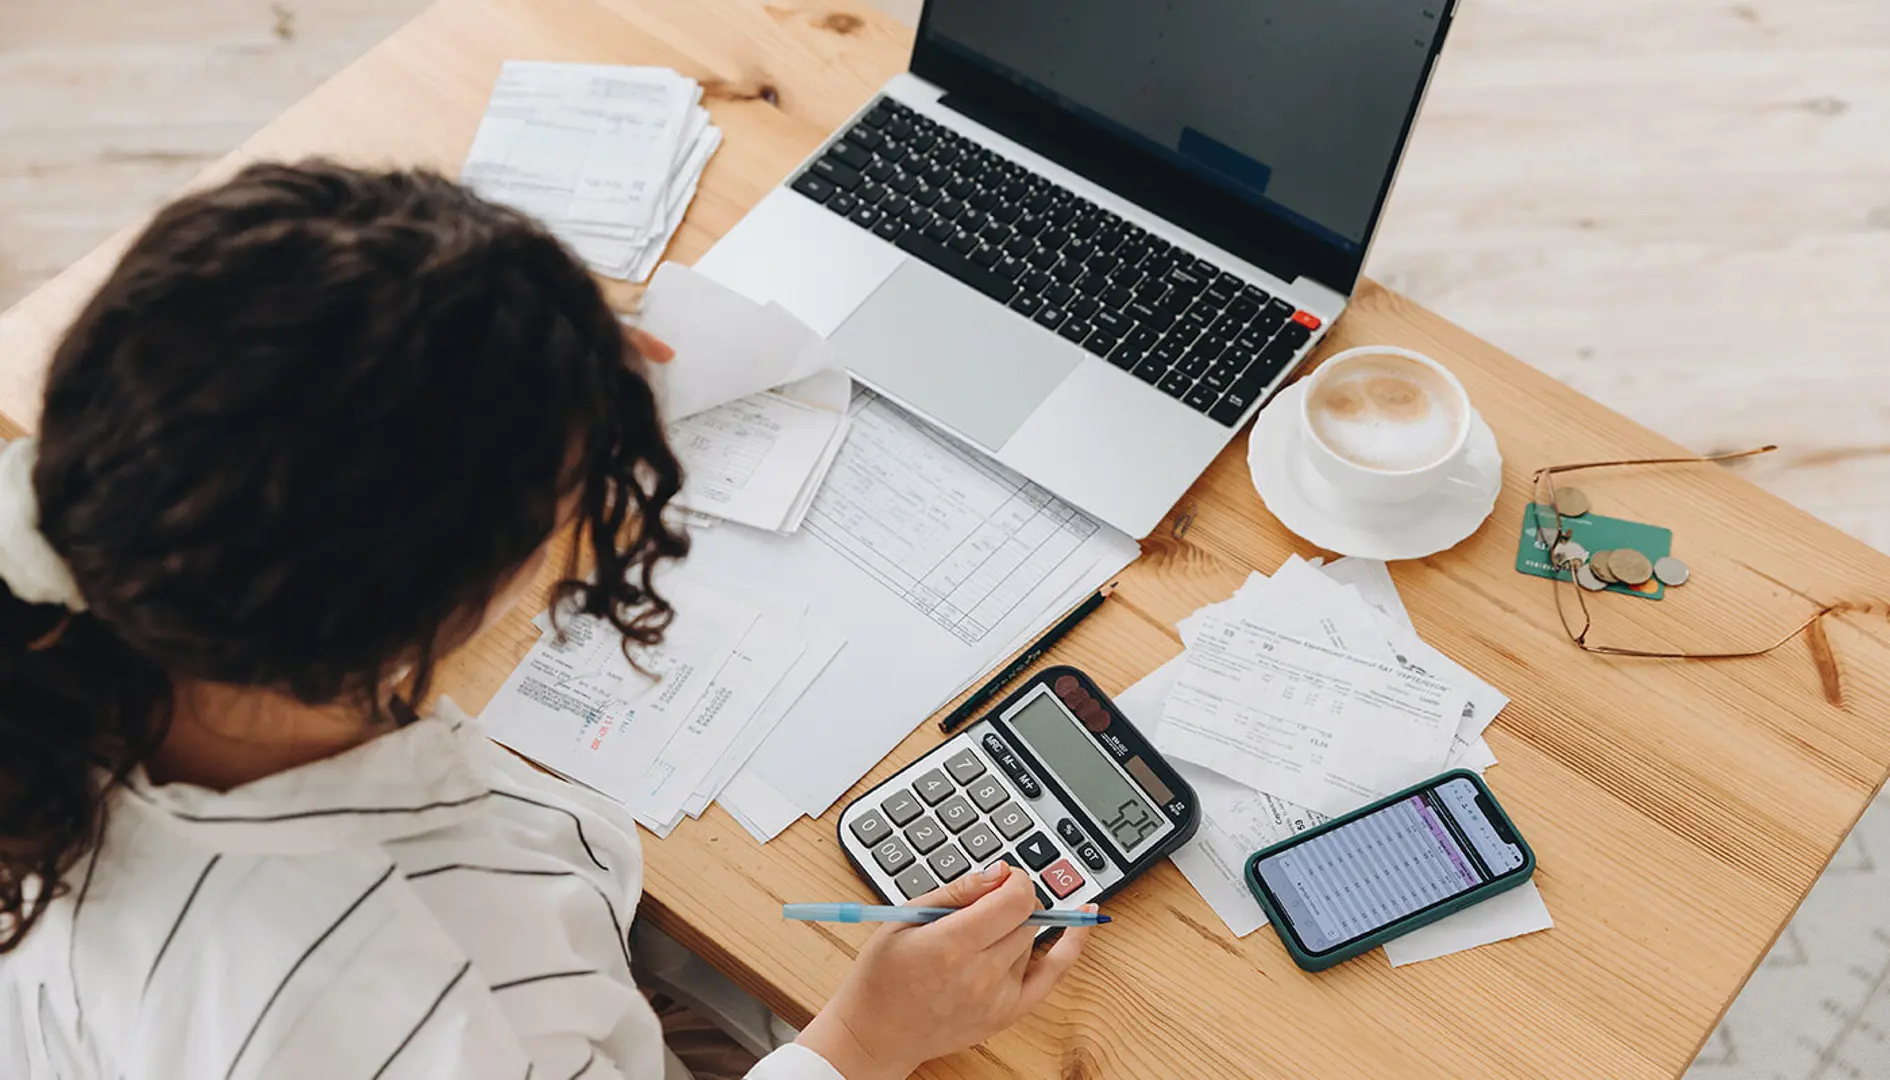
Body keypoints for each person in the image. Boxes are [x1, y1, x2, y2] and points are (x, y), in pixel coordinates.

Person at [0, 162, 1091, 1080]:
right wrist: (860, 1041)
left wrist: (533, 341)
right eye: (573, 495)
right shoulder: (355, 1007)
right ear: (420, 606)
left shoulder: (105, 589)